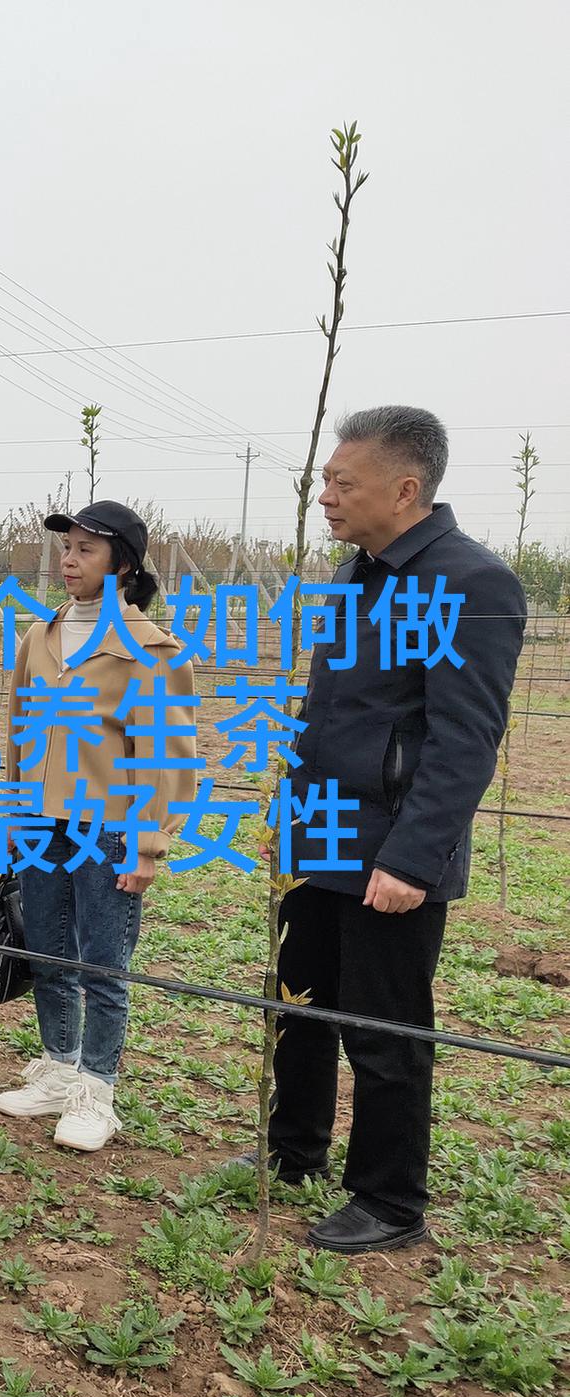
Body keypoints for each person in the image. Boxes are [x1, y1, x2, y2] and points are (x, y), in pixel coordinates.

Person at [245, 406, 524, 1253]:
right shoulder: (355, 575)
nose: (325, 496)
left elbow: (465, 739)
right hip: (323, 831)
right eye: (326, 480)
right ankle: (293, 1148)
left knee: (384, 1026)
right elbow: (324, 711)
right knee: (297, 1003)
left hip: (391, 848)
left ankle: (390, 1197)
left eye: (342, 482)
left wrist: (411, 859)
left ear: (404, 490)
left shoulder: (470, 583)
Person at [0, 500, 196, 1153]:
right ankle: (59, 1068)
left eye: (85, 549)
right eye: (66, 547)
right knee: (47, 950)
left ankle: (96, 1090)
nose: (69, 560)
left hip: (109, 826)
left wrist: (147, 841)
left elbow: (164, 752)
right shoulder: (41, 636)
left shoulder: (151, 650)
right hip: (42, 819)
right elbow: (20, 728)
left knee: (104, 964)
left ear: (123, 565)